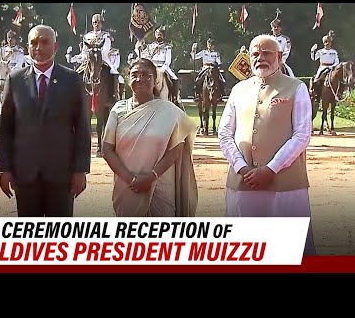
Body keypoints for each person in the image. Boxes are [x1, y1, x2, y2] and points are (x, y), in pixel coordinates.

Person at [218, 34, 316, 256]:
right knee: (244, 248)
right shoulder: (238, 90)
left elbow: (302, 135)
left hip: (285, 185)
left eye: (267, 53)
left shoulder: (296, 88)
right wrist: (242, 168)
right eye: (255, 54)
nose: (260, 58)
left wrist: (271, 169)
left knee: (289, 250)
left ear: (280, 57)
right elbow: (224, 133)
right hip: (243, 183)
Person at [0, 24, 92, 217]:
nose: (38, 47)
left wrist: (80, 170)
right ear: (27, 47)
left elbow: (82, 128)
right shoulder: (14, 80)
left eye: (44, 42)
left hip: (61, 174)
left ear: (55, 47)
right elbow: (6, 129)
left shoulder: (72, 79)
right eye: (33, 43)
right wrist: (5, 168)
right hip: (25, 174)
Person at [102, 58, 198, 217]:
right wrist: (130, 179)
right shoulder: (117, 110)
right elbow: (107, 149)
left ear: (155, 80)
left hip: (161, 185)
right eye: (134, 74)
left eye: (146, 75)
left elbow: (176, 150)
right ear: (128, 79)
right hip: (126, 187)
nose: (139, 79)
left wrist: (151, 177)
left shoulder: (169, 111)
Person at [136, 26, 180, 102]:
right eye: (157, 34)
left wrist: (162, 70)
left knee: (174, 78)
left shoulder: (167, 47)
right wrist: (138, 48)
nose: (159, 35)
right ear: (155, 35)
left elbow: (167, 61)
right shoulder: (150, 46)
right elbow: (143, 56)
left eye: (160, 34)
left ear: (163, 35)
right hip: (152, 67)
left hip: (163, 67)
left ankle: (175, 97)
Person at [310, 31, 339, 102]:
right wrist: (312, 51)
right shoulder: (320, 51)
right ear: (324, 43)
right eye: (326, 42)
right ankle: (316, 94)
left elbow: (337, 61)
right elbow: (314, 58)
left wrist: (333, 66)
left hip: (332, 68)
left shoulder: (334, 52)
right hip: (323, 67)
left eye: (329, 42)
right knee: (317, 79)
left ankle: (338, 94)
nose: (327, 43)